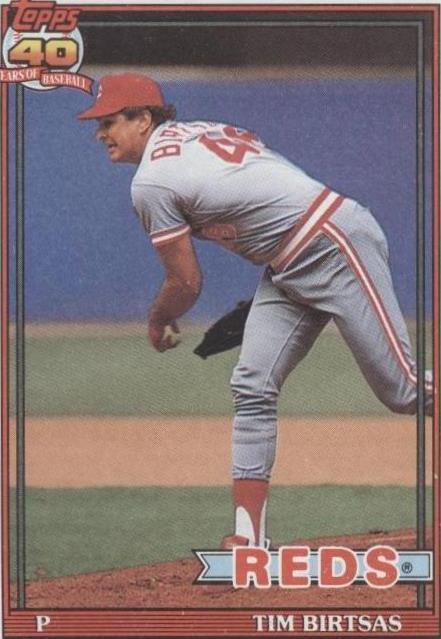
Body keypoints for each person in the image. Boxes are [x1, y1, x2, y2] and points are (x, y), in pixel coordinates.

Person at [78, 72, 433, 549]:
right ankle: (249, 538)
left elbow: (186, 282)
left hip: (332, 242)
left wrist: (158, 317)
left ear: (143, 119)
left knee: (404, 390)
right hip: (288, 262)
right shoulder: (199, 131)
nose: (100, 133)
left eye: (109, 121)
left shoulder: (151, 183)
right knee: (252, 384)